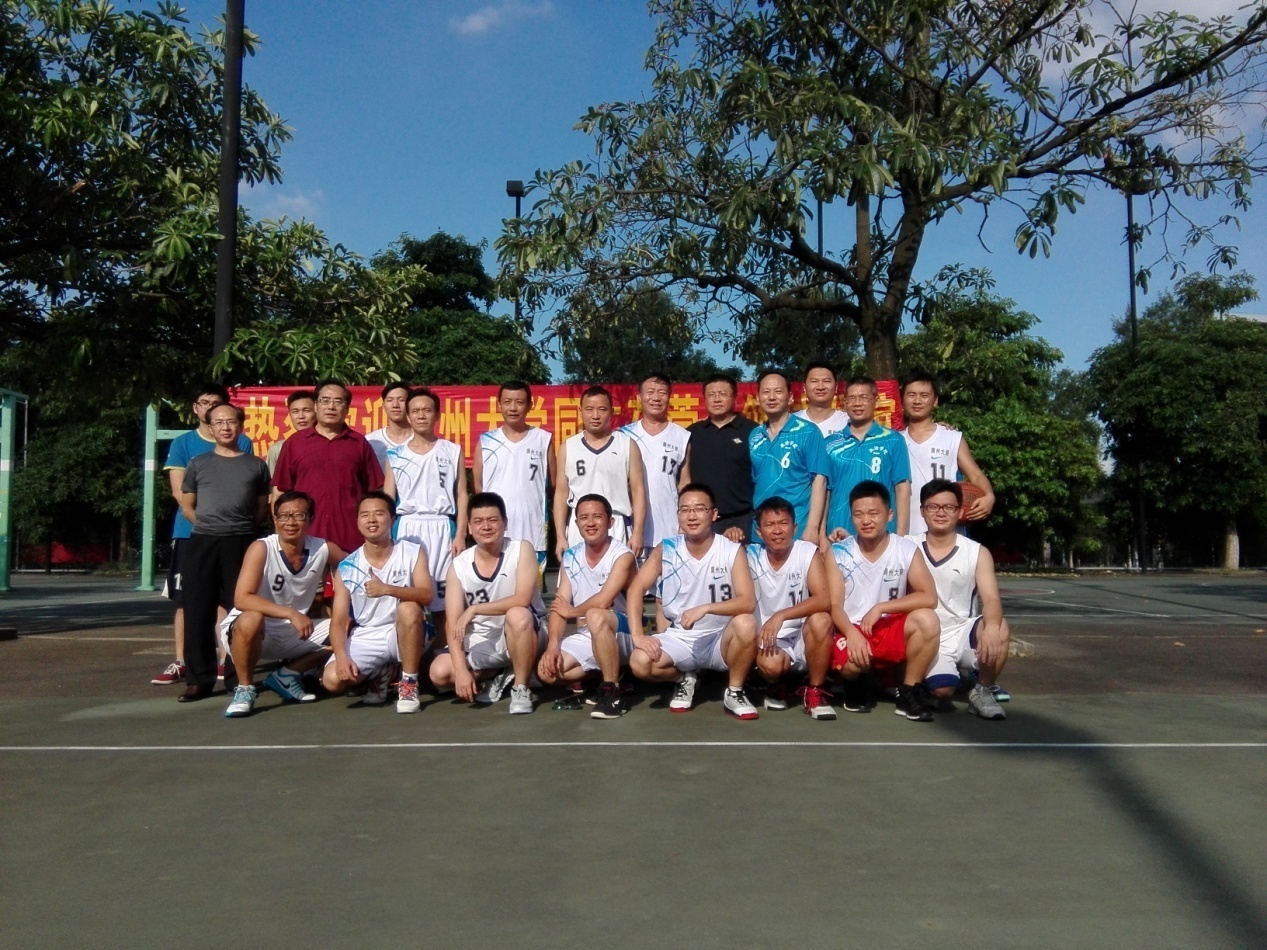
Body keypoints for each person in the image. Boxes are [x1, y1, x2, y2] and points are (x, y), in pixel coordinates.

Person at [627, 483, 760, 719]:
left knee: (746, 623)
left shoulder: (731, 550)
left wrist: (706, 608)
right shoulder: (667, 549)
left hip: (721, 638)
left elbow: (747, 601)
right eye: (685, 509)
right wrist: (638, 636)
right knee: (639, 662)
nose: (692, 516)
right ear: (678, 514)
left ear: (714, 514)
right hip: (681, 638)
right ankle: (683, 679)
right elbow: (636, 588)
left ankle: (735, 691)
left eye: (699, 509)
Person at [153, 382, 252, 686]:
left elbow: (252, 497)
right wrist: (205, 526)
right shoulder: (183, 444)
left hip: (234, 537)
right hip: (192, 534)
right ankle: (183, 662)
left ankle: (226, 660)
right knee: (189, 601)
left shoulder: (244, 444)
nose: (211, 408)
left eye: (217, 403)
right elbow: (180, 493)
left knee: (230, 600)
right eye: (205, 403)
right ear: (197, 409)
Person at [219, 491, 347, 717]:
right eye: (284, 516)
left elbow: (357, 565)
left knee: (348, 628)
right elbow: (242, 598)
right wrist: (291, 613)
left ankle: (287, 674)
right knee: (251, 617)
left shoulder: (322, 548)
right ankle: (245, 689)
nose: (291, 522)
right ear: (275, 520)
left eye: (299, 515)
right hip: (255, 631)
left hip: (293, 632)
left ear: (311, 519)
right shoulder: (262, 548)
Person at [178, 403, 271, 703]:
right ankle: (199, 680)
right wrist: (209, 526)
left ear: (241, 426)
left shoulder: (256, 465)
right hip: (204, 542)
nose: (226, 427)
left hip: (242, 543)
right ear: (210, 427)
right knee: (198, 611)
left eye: (231, 422)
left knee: (240, 610)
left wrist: (240, 530)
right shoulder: (198, 463)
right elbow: (188, 505)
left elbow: (261, 509)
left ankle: (236, 676)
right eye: (219, 422)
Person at [827, 480, 940, 721]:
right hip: (853, 628)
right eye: (858, 514)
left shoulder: (905, 549)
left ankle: (908, 692)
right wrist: (851, 633)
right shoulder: (839, 552)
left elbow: (929, 596)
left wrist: (881, 607)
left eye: (873, 513)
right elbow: (834, 605)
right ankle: (853, 684)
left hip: (888, 627)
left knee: (927, 619)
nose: (866, 520)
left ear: (889, 515)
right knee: (852, 666)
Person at [431, 492, 547, 715]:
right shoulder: (459, 566)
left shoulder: (521, 549)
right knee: (440, 673)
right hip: (484, 638)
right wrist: (461, 670)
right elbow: (453, 623)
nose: (486, 527)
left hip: (526, 631)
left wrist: (475, 608)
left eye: (493, 520)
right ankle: (498, 672)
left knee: (517, 614)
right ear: (469, 527)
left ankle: (521, 687)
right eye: (478, 521)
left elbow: (522, 599)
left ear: (505, 523)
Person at [321, 492, 432, 714]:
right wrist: (341, 657)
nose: (371, 520)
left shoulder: (412, 551)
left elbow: (427, 595)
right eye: (365, 515)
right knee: (332, 680)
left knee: (408, 608)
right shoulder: (347, 566)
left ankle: (408, 684)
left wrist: (387, 589)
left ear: (392, 519)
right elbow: (339, 620)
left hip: (406, 629)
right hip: (367, 634)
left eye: (379, 513)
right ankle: (382, 671)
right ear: (357, 521)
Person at [911, 479, 1010, 719]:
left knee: (1000, 626)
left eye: (949, 507)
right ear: (922, 511)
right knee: (943, 690)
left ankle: (982, 691)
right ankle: (937, 678)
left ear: (960, 511)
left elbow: (992, 599)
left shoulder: (977, 551)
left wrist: (992, 628)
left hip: (961, 631)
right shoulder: (906, 545)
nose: (941, 513)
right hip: (926, 635)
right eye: (933, 507)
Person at [538, 494, 637, 719]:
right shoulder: (571, 556)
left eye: (597, 517)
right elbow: (559, 606)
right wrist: (552, 646)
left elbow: (603, 601)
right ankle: (602, 675)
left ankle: (613, 692)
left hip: (625, 630)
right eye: (584, 517)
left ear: (610, 522)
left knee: (596, 615)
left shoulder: (622, 555)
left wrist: (572, 611)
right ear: (576, 523)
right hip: (589, 632)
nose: (590, 523)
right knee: (547, 672)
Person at [383, 387, 467, 634]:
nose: (421, 415)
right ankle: (408, 650)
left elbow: (462, 494)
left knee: (444, 599)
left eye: (427, 410)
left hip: (442, 527)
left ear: (437, 415)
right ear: (408, 416)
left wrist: (461, 534)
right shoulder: (395, 455)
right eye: (416, 411)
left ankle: (444, 648)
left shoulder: (452, 450)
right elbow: (388, 499)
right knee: (407, 594)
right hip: (407, 528)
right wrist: (386, 536)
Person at [747, 497, 836, 719]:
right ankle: (778, 684)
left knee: (822, 619)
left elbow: (823, 599)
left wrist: (781, 615)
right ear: (759, 531)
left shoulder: (806, 551)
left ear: (795, 527)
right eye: (769, 524)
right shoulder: (749, 556)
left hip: (803, 636)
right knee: (771, 665)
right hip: (772, 640)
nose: (777, 530)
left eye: (783, 523)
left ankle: (815, 690)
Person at [272, 380, 383, 554]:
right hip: (305, 538)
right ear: (316, 406)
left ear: (347, 408)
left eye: (338, 401)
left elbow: (375, 492)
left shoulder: (359, 443)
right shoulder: (294, 443)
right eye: (325, 401)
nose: (331, 406)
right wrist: (280, 532)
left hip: (350, 537)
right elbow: (281, 492)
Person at [473, 381, 555, 578]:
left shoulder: (543, 439)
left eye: (519, 402)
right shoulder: (487, 441)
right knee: (497, 585)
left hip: (532, 528)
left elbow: (553, 484)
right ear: (499, 405)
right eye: (507, 402)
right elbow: (478, 485)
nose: (513, 408)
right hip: (494, 529)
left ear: (530, 405)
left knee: (531, 590)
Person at [554, 385, 646, 560]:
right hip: (579, 527)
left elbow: (638, 491)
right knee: (576, 576)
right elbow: (561, 494)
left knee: (618, 577)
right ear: (580, 411)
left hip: (616, 525)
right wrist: (560, 536)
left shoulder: (627, 445)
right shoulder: (568, 447)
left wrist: (638, 533)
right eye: (589, 409)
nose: (595, 415)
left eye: (602, 409)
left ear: (611, 411)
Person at [900, 371, 996, 534]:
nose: (917, 401)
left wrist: (989, 496)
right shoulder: (894, 441)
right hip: (908, 532)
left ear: (935, 401)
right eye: (911, 395)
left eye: (924, 395)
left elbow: (976, 475)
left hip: (948, 532)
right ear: (902, 400)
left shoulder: (952, 437)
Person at [823, 376, 911, 540]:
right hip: (838, 533)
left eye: (864, 397)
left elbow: (903, 489)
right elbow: (824, 492)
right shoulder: (830, 444)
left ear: (876, 401)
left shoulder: (893, 440)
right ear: (844, 403)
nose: (857, 403)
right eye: (852, 398)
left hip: (882, 535)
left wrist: (901, 537)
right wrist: (821, 534)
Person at [749, 370, 828, 543]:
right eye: (766, 392)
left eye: (778, 391)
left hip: (796, 529)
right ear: (758, 398)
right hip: (761, 531)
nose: (771, 397)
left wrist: (813, 527)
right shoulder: (754, 435)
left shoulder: (808, 431)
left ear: (790, 397)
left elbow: (819, 481)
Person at [680, 374, 757, 543]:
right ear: (704, 398)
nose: (717, 399)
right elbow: (685, 479)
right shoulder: (692, 433)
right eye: (711, 394)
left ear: (735, 397)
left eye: (722, 394)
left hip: (743, 519)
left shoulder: (753, 431)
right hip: (702, 520)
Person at [621, 373, 690, 560]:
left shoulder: (682, 436)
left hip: (669, 525)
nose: (656, 397)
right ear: (639, 398)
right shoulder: (624, 435)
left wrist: (684, 520)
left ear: (669, 397)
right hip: (630, 528)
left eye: (662, 392)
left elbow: (685, 483)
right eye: (650, 392)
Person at [265, 389, 316, 475]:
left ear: (317, 412)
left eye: (306, 410)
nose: (301, 416)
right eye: (295, 411)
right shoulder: (278, 449)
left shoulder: (327, 445)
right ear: (290, 415)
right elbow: (273, 481)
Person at [366, 381, 413, 470]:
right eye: (390, 400)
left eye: (401, 400)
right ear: (384, 406)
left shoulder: (422, 440)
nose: (395, 405)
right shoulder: (370, 441)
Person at [794, 362, 850, 438]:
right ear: (804, 387)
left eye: (826, 381)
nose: (820, 387)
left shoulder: (848, 421)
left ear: (836, 387)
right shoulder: (792, 421)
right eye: (814, 381)